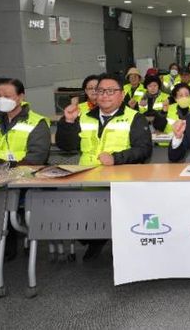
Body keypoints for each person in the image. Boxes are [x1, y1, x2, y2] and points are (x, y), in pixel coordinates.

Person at [56, 73, 152, 260]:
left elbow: (143, 150)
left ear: (122, 95)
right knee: (80, 220)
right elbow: (66, 146)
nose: (104, 95)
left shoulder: (134, 118)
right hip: (87, 181)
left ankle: (110, 241)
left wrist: (116, 158)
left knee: (117, 219)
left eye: (110, 91)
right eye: (100, 91)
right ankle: (97, 238)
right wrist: (68, 122)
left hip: (120, 183)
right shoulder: (83, 116)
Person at [0, 78, 50, 165]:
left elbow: (37, 157)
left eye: (7, 96)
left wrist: (8, 168)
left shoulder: (37, 123)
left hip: (23, 170)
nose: (2, 100)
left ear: (21, 97)